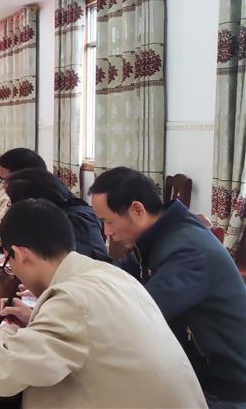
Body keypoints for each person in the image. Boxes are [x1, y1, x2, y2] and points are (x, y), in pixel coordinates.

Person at [0, 199, 206, 408]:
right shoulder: (110, 274)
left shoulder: (71, 301)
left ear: (20, 254)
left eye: (8, 260)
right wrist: (35, 320)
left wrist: (4, 331)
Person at [89, 167, 246, 406]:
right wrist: (72, 289)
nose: (107, 232)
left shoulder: (187, 251)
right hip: (195, 372)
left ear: (137, 210)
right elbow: (117, 277)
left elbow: (139, 316)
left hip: (225, 389)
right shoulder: (159, 236)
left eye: (108, 221)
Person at [0, 168, 110, 261]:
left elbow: (67, 265)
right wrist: (6, 246)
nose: (10, 209)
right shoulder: (52, 216)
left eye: (12, 203)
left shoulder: (76, 220)